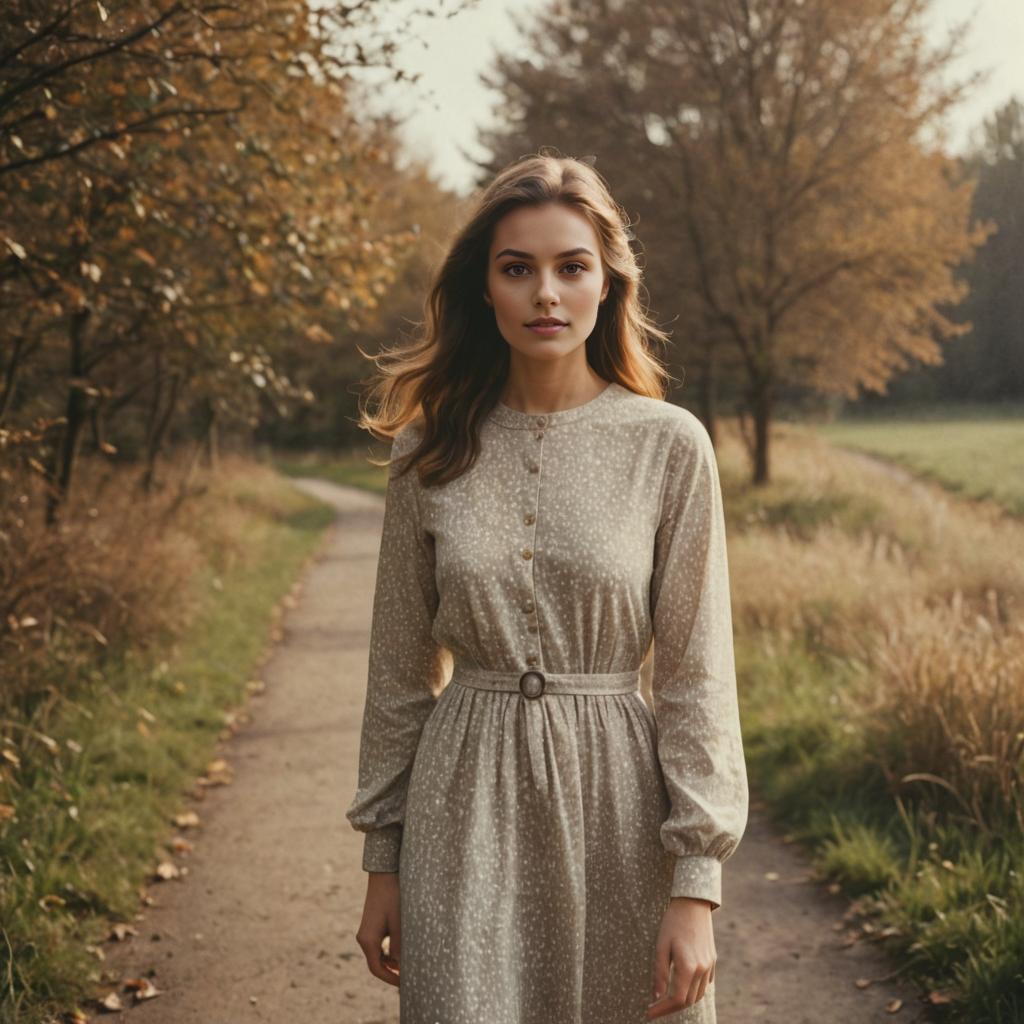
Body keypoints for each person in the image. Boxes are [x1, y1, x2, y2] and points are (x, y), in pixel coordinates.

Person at [345, 151, 749, 1024]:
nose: (546, 295)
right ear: (484, 289)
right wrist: (385, 859)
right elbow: (398, 667)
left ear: (609, 284)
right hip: (463, 800)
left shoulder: (669, 447)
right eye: (517, 269)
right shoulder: (429, 451)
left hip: (619, 805)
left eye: (572, 268)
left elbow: (696, 676)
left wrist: (697, 885)